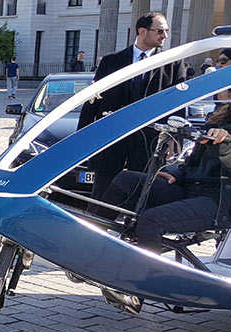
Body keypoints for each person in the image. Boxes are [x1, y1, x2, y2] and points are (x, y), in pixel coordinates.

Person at [94, 86, 231, 314]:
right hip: (188, 187)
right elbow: (191, 162)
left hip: (219, 202)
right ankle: (92, 247)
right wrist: (176, 172)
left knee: (152, 221)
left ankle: (138, 292)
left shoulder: (225, 134)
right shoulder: (217, 123)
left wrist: (228, 144)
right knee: (126, 179)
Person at [78, 12, 185, 205]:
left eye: (166, 31)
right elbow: (93, 100)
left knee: (141, 197)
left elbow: (178, 104)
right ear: (142, 31)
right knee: (102, 195)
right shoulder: (111, 61)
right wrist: (82, 137)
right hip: (112, 139)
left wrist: (174, 138)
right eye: (160, 31)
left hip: (147, 142)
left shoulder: (172, 65)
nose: (165, 36)